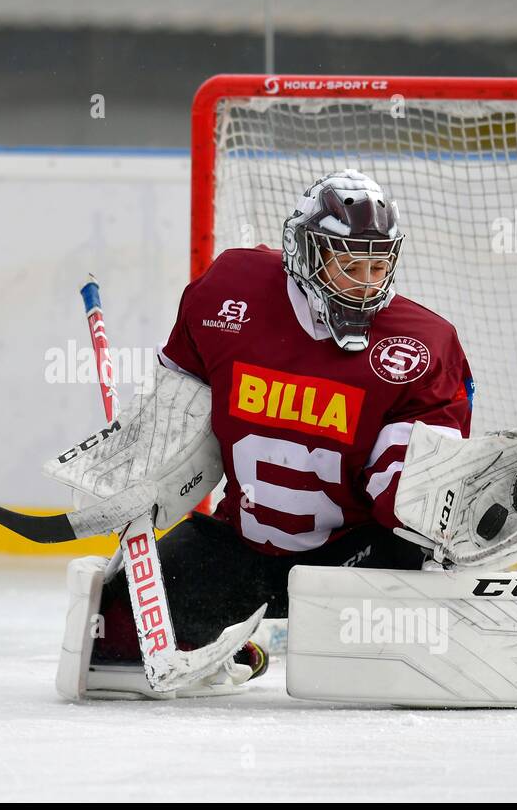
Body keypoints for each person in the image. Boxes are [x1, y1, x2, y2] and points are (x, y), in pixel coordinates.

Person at [68, 169, 474, 697]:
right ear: (305, 252)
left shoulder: (421, 344)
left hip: (353, 554)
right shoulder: (228, 294)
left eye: (378, 265)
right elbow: (176, 413)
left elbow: (409, 491)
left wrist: (445, 512)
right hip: (243, 543)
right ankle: (237, 648)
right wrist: (140, 470)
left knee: (382, 670)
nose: (367, 282)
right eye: (349, 265)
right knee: (115, 641)